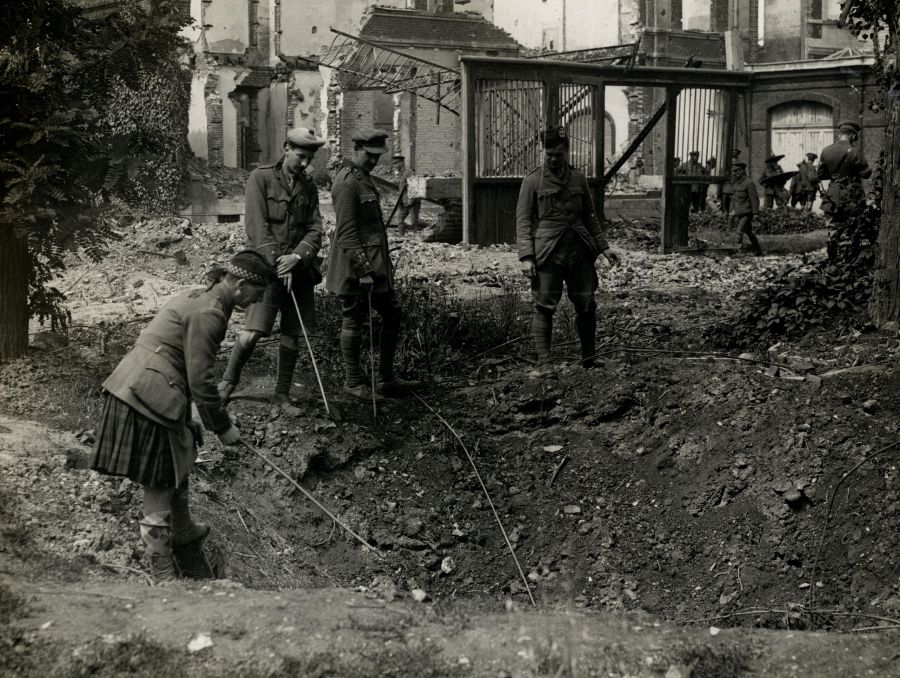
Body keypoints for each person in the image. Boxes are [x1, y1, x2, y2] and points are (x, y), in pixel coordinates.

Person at [91, 251, 276, 581]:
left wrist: (189, 417)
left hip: (148, 386)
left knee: (179, 457)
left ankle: (185, 532)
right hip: (146, 394)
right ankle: (162, 572)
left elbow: (188, 366)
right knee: (159, 486)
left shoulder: (200, 297)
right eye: (257, 293)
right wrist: (222, 427)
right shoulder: (210, 313)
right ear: (240, 285)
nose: (258, 300)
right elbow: (201, 380)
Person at [218, 127, 326, 416]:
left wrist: (297, 258)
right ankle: (227, 383)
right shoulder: (260, 178)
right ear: (286, 148)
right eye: (301, 156)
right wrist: (280, 262)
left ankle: (281, 394)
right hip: (266, 272)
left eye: (309, 158)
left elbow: (316, 228)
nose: (304, 163)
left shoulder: (309, 185)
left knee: (293, 334)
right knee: (252, 334)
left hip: (300, 272)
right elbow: (256, 227)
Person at [326, 129, 419, 402]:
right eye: (369, 155)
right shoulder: (346, 183)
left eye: (377, 157)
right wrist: (363, 270)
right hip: (356, 268)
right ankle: (353, 382)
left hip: (373, 266)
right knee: (354, 318)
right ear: (356, 149)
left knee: (392, 313)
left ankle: (386, 378)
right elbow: (346, 232)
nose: (373, 161)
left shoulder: (364, 178)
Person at [516, 125, 619, 370]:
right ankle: (545, 365)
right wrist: (526, 257)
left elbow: (591, 216)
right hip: (548, 253)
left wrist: (604, 248)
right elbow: (523, 220)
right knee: (544, 305)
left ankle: (589, 359)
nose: (553, 158)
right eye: (549, 153)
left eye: (558, 154)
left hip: (580, 251)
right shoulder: (531, 181)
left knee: (586, 304)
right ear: (543, 152)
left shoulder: (578, 178)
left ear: (566, 152)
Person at [817, 120, 871, 223]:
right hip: (852, 194)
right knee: (853, 226)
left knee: (832, 228)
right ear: (853, 136)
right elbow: (866, 173)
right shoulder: (856, 151)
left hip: (832, 194)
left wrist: (835, 175)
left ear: (839, 134)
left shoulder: (826, 150)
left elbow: (820, 175)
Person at [728, 161, 762, 255]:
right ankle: (758, 250)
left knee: (739, 231)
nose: (735, 173)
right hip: (738, 212)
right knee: (749, 232)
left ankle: (738, 251)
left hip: (747, 212)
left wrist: (755, 213)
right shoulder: (736, 183)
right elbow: (734, 199)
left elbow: (754, 199)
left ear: (742, 171)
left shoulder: (749, 183)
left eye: (737, 171)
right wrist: (732, 210)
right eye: (734, 171)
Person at [392, 154, 421, 235]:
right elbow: (402, 189)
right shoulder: (401, 174)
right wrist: (400, 202)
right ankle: (401, 237)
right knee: (400, 220)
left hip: (412, 202)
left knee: (414, 221)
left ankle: (416, 237)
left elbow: (414, 187)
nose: (395, 165)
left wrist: (411, 201)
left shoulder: (409, 172)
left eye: (397, 163)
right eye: (394, 163)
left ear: (402, 162)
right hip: (404, 202)